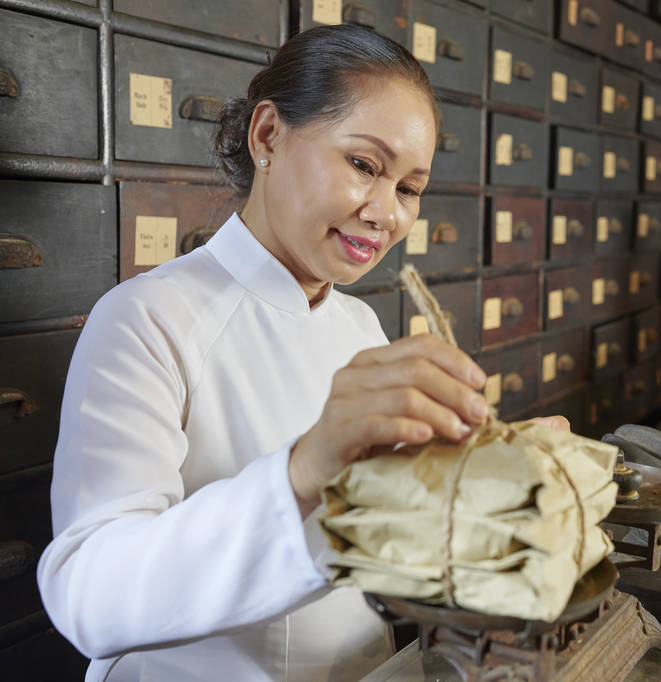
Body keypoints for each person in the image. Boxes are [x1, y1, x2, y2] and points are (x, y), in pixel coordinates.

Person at [37, 25, 566, 681]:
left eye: (408, 188)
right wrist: (299, 471)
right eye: (364, 166)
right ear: (268, 136)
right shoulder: (147, 320)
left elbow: (376, 541)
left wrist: (480, 483)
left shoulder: (362, 324)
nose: (385, 214)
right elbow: (88, 595)